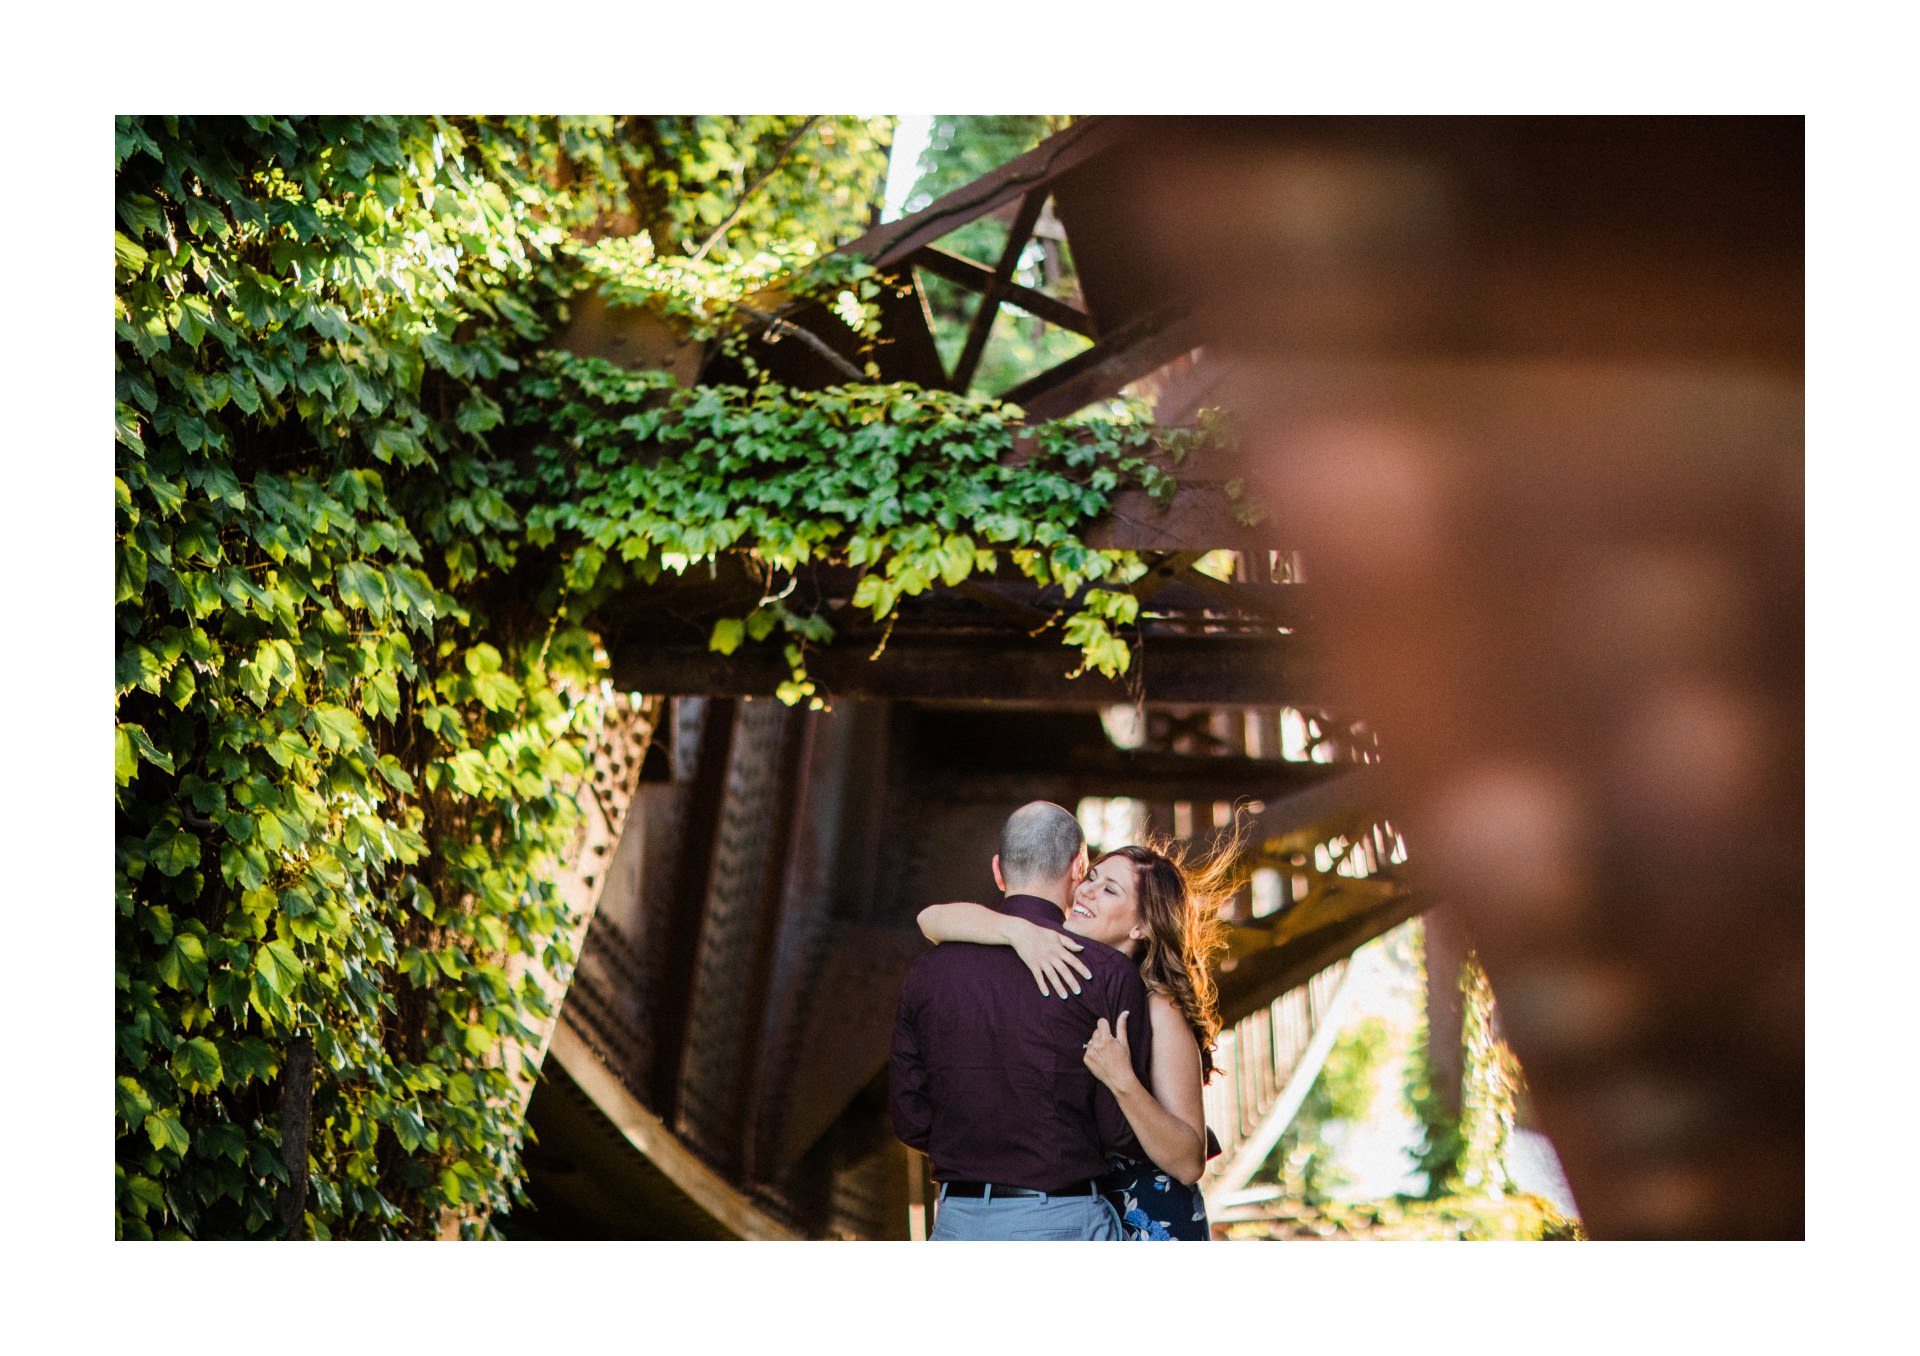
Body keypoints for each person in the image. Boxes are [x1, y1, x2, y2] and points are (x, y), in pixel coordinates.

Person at [917, 832, 1235, 1241]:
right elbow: (930, 920)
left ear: (1141, 925)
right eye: (1091, 877)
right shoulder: (1057, 961)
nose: (1087, 891)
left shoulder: (1159, 1007)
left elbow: (1189, 1162)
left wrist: (1121, 1079)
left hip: (1145, 1220)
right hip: (1075, 1209)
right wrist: (1016, 931)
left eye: (1109, 889)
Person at [890, 801, 1154, 1240]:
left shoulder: (927, 971)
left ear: (998, 870)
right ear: (1078, 867)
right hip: (1064, 1220)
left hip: (957, 1225)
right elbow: (1119, 1131)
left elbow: (911, 1120)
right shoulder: (1107, 974)